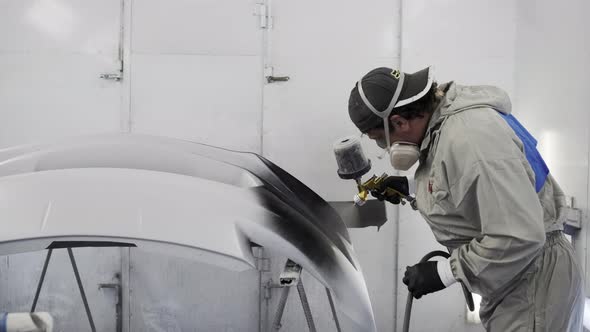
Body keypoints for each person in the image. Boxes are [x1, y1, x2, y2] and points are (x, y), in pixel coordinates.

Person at [347, 66, 585, 331]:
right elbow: (469, 184)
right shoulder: (447, 125)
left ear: (400, 122)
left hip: (532, 278)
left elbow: (519, 234)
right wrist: (412, 186)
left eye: (382, 140)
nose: (387, 148)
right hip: (517, 274)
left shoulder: (471, 139)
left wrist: (444, 273)